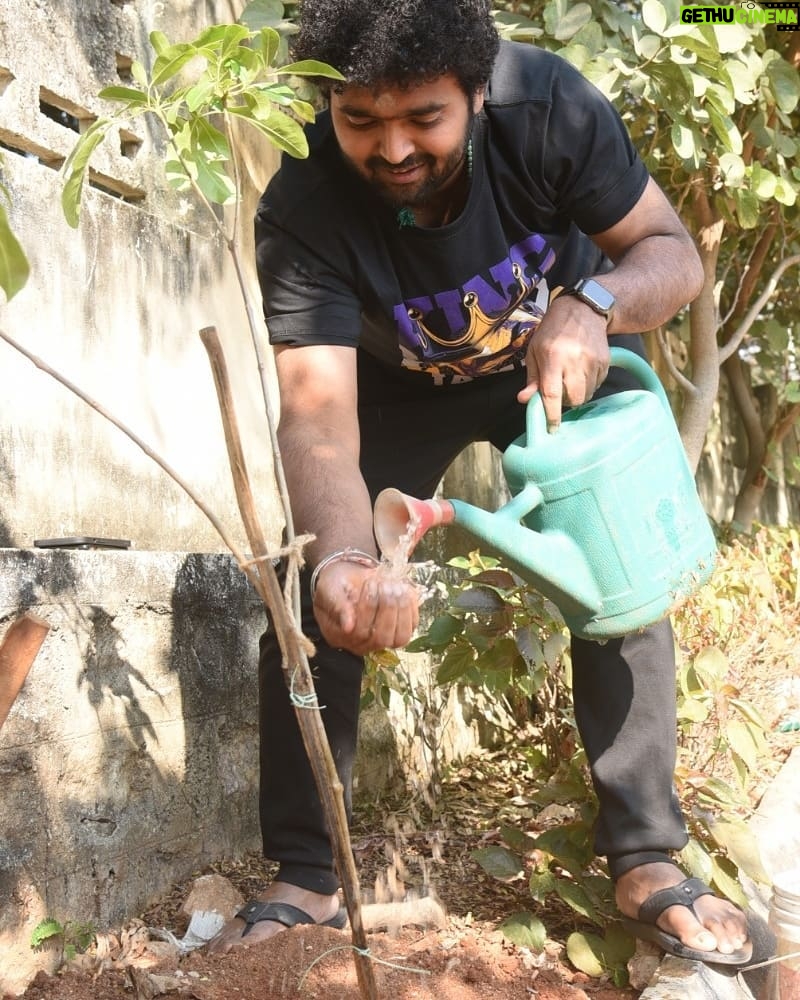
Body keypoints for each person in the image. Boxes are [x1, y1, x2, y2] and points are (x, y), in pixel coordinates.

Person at [209, 0, 754, 965]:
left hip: (559, 354)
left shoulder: (548, 108)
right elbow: (317, 412)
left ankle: (644, 854)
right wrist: (342, 557)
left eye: (423, 118)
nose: (392, 149)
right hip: (393, 387)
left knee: (612, 559)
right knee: (312, 590)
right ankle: (306, 874)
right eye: (361, 121)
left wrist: (596, 305)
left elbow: (670, 256)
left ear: (475, 91)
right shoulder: (303, 204)